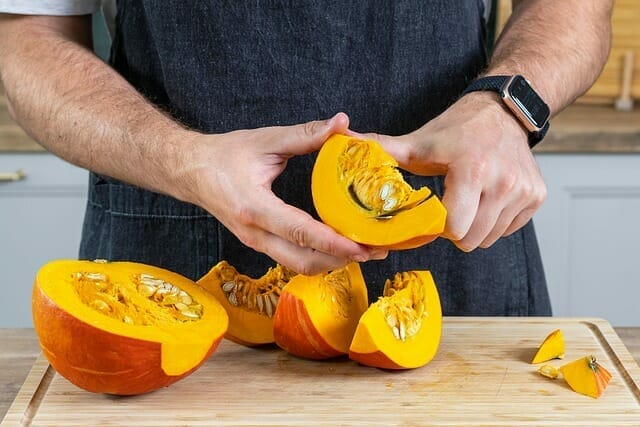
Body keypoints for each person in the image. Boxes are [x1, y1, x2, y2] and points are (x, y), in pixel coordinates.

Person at [0, 1, 613, 315]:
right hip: (178, 261)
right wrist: (183, 159)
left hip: (457, 257)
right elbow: (28, 35)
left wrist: (508, 107)